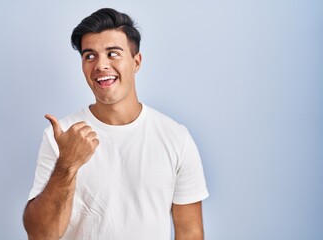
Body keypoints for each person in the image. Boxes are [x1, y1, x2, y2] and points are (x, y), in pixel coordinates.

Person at [23, 8, 209, 240]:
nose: (100, 65)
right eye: (89, 56)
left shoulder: (176, 138)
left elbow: (190, 232)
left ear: (136, 62)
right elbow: (40, 235)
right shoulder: (60, 137)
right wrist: (67, 164)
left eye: (113, 54)